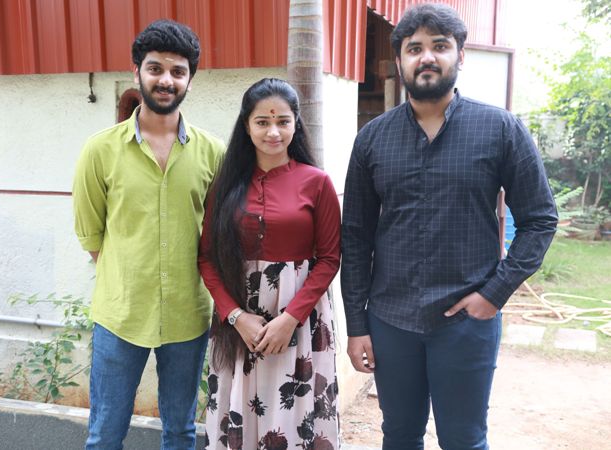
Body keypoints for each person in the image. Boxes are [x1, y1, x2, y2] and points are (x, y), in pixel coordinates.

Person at [341, 4, 558, 450]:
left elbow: (540, 219)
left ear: (460, 55)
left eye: (439, 46)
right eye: (414, 48)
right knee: (399, 436)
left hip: (466, 322)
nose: (426, 57)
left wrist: (494, 294)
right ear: (400, 60)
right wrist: (357, 325)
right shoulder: (372, 139)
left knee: (464, 440)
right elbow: (356, 236)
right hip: (391, 321)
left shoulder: (500, 129)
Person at [73, 19, 224, 450]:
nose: (166, 80)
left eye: (178, 71)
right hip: (121, 316)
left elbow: (217, 233)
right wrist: (129, 279)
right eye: (155, 68)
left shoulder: (213, 152)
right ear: (137, 70)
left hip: (187, 315)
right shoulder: (100, 150)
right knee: (105, 434)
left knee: (180, 431)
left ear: (190, 79)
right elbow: (91, 234)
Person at [198, 78, 341, 450]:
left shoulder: (317, 183)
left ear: (296, 124)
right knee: (238, 416)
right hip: (238, 324)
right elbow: (207, 258)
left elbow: (329, 258)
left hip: (301, 320)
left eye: (283, 121)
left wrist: (290, 319)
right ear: (247, 126)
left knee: (294, 420)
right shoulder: (225, 185)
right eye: (262, 122)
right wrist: (236, 317)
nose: (273, 132)